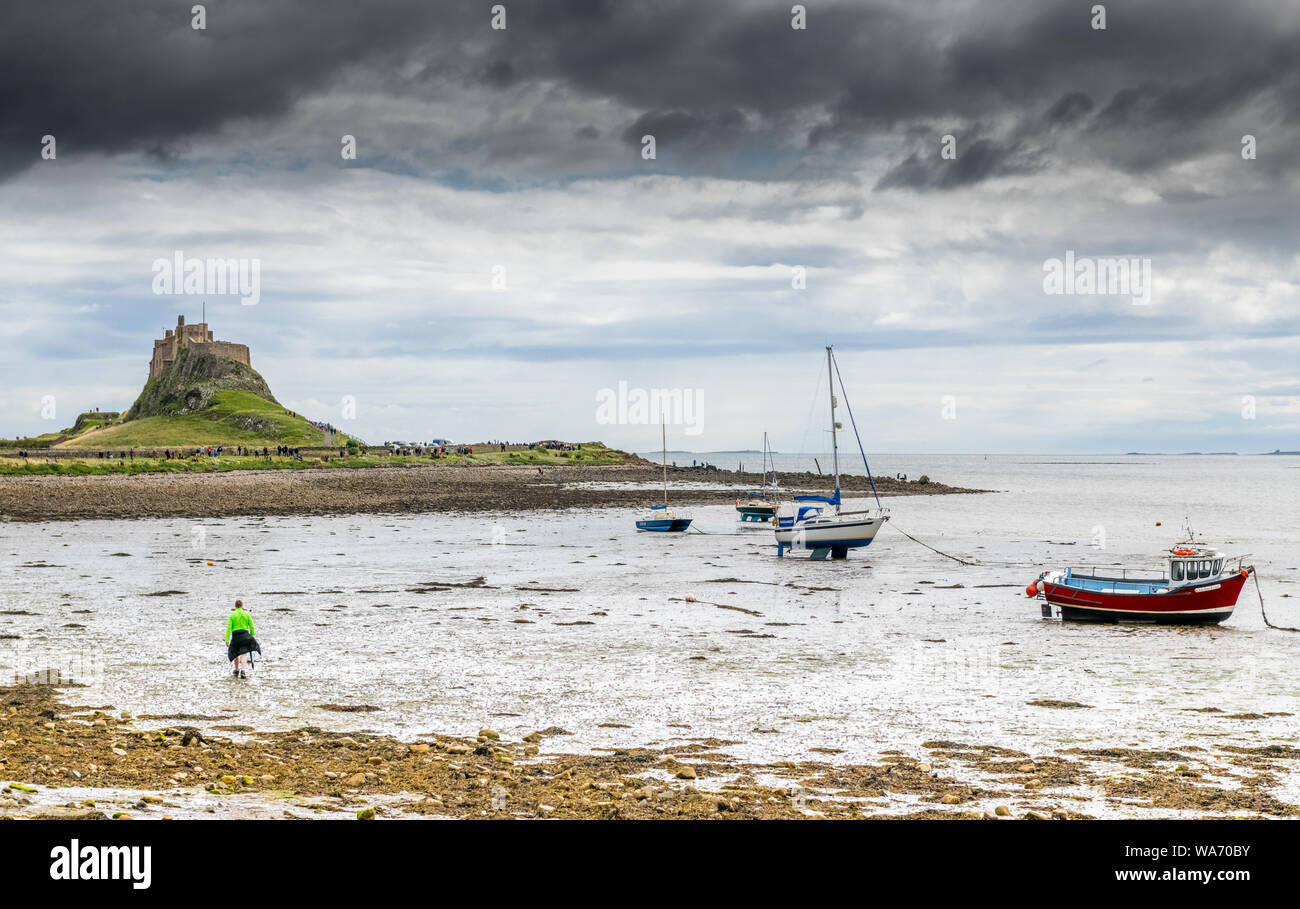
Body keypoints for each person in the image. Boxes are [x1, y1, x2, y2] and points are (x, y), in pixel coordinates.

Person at [225, 599, 261, 679]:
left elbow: (228, 628)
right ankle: (243, 670)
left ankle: (237, 669)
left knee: (236, 653)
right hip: (245, 635)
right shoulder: (246, 614)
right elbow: (251, 626)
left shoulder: (232, 615)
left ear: (235, 606)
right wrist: (252, 636)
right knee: (244, 653)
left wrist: (227, 640)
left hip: (236, 636)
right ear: (242, 606)